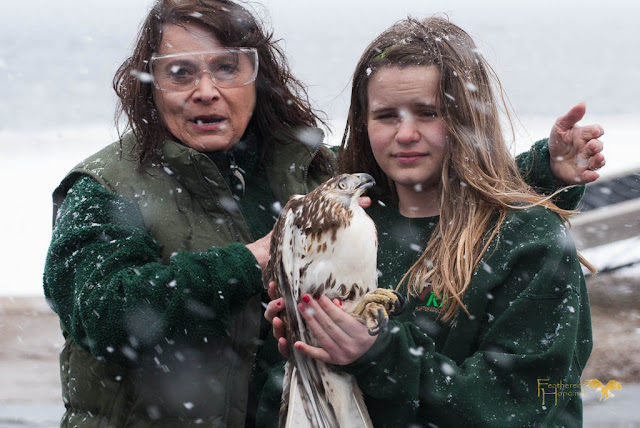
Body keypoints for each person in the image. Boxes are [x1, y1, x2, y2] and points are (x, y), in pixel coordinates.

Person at [42, 0, 603, 425]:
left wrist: (542, 175)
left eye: (226, 67)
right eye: (180, 72)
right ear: (150, 83)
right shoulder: (108, 188)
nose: (205, 90)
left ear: (256, 77)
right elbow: (100, 313)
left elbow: (418, 175)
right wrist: (248, 263)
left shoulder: (304, 167)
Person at [262, 16, 603, 427]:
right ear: (362, 121)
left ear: (467, 120)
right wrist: (304, 342)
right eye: (386, 115)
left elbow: (519, 404)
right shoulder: (338, 218)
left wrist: (378, 356)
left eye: (427, 113)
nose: (405, 134)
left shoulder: (531, 241)